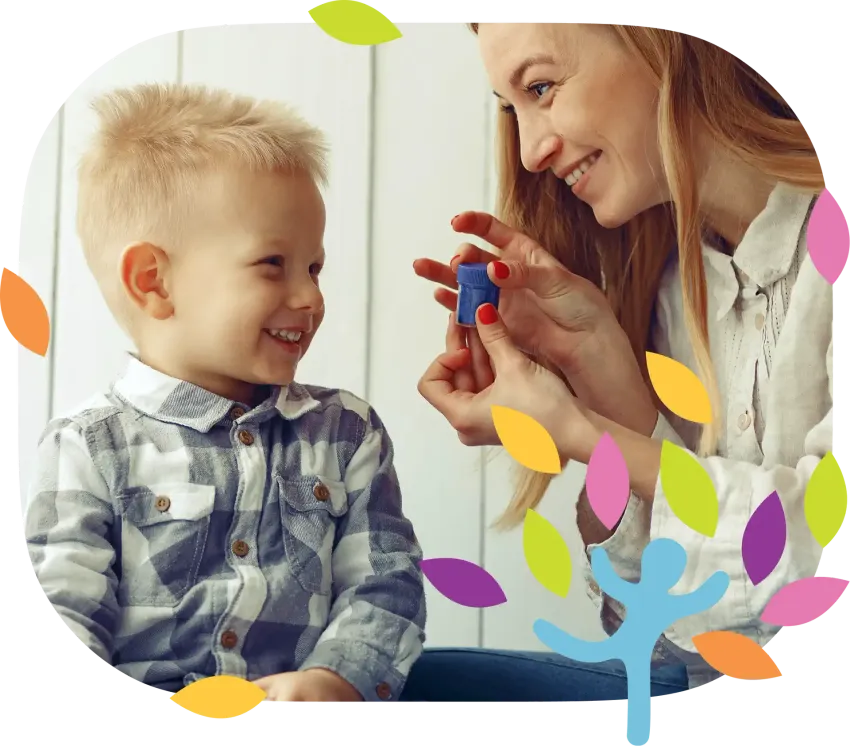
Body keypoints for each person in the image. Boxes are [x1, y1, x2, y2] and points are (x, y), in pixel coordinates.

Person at [406, 20, 835, 703]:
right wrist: (601, 375)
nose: (529, 150)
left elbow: (824, 575)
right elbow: (667, 649)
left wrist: (584, 432)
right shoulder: (671, 291)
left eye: (541, 87)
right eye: (510, 108)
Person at [23, 83, 426, 703]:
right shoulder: (86, 446)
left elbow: (385, 585)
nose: (312, 297)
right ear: (153, 281)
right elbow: (65, 607)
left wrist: (332, 681)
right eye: (273, 263)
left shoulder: (345, 433)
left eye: (314, 268)